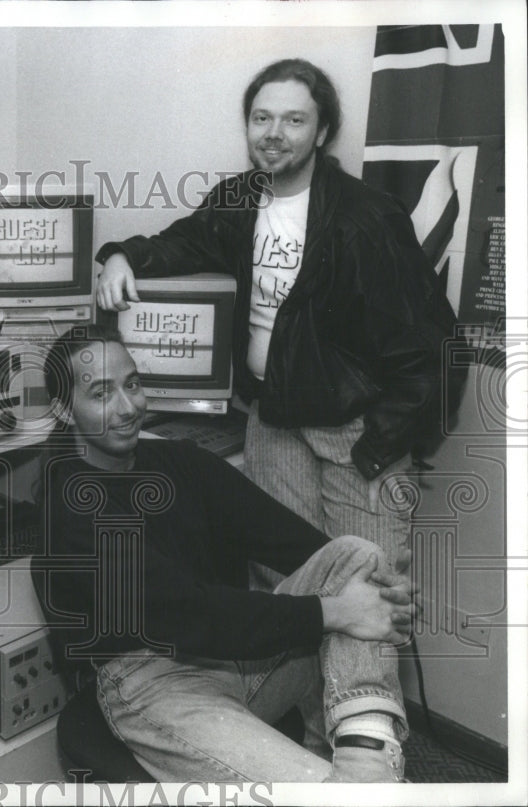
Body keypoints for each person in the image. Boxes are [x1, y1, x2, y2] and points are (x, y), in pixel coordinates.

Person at [94, 58, 459, 566]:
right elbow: (183, 243)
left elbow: (435, 344)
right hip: (270, 420)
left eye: (294, 119)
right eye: (261, 118)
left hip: (351, 431)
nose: (274, 133)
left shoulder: (368, 216)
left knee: (367, 587)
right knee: (286, 585)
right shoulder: (239, 199)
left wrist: (380, 447)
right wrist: (121, 255)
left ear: (322, 131)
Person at [37, 324, 416, 782]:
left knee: (356, 554)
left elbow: (291, 538)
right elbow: (188, 613)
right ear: (64, 409)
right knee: (317, 789)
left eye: (132, 384)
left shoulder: (179, 462)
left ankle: (366, 758)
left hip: (230, 661)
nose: (128, 407)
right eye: (101, 394)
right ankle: (359, 783)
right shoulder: (71, 507)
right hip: (150, 687)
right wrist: (336, 612)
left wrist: (378, 587)